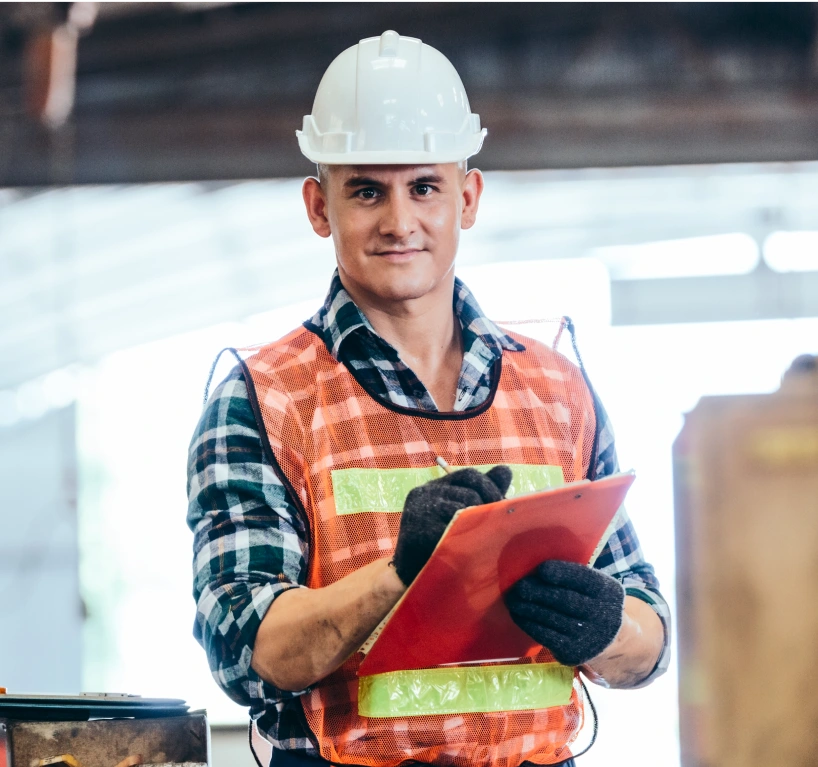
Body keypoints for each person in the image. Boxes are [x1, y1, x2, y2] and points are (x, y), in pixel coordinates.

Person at [188, 31, 670, 767]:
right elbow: (244, 650)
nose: (399, 221)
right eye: (366, 190)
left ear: (467, 197)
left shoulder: (557, 389)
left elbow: (650, 640)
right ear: (320, 207)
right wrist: (398, 575)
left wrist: (608, 625)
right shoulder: (267, 399)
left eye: (424, 186)